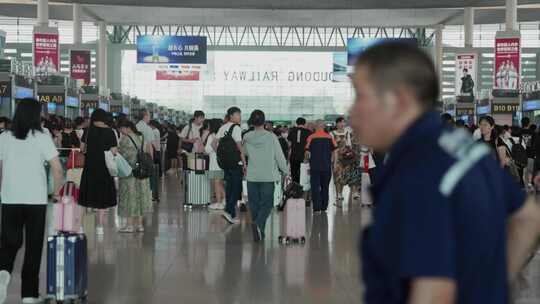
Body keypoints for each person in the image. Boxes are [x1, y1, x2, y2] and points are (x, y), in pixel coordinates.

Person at [349, 42, 540, 304]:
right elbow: (528, 218)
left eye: (360, 95)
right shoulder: (462, 147)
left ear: (400, 99)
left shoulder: (419, 170)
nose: (352, 113)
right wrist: (487, 286)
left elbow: (434, 292)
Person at [0, 98, 64, 304]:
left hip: (10, 198)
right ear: (36, 116)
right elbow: (57, 168)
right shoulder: (42, 137)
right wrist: (57, 192)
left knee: (9, 243)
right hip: (36, 200)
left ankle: (3, 274)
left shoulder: (5, 137)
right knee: (34, 247)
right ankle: (29, 295)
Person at [243, 110, 288, 241]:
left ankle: (260, 231)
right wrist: (285, 170)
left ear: (252, 121)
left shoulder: (247, 137)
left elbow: (244, 152)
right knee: (267, 204)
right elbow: (279, 156)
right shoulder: (271, 137)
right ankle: (258, 224)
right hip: (268, 176)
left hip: (252, 176)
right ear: (264, 122)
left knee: (254, 204)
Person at [79, 108, 118, 236]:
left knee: (86, 196)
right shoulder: (110, 132)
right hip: (104, 168)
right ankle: (100, 225)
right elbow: (113, 151)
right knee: (103, 197)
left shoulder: (88, 131)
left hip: (90, 167)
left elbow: (82, 148)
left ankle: (82, 225)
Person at [117, 120, 152, 233]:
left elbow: (122, 156)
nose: (121, 132)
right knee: (141, 198)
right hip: (142, 172)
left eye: (121, 129)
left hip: (130, 174)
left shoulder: (125, 139)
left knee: (130, 198)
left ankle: (130, 225)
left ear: (127, 128)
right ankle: (140, 225)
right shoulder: (141, 137)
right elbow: (148, 151)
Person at [216, 107, 246, 224]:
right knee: (236, 188)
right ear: (232, 116)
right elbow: (240, 147)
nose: (240, 117)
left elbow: (214, 143)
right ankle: (229, 211)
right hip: (235, 163)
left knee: (229, 187)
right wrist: (244, 162)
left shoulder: (223, 127)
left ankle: (231, 214)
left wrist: (221, 156)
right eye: (238, 114)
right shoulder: (236, 128)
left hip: (225, 163)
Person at [305, 120, 336, 213]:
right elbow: (334, 151)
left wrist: (306, 162)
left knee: (315, 187)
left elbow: (307, 152)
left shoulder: (311, 137)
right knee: (325, 187)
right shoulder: (329, 137)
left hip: (314, 166)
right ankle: (324, 206)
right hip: (326, 166)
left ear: (315, 126)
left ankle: (317, 207)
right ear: (324, 126)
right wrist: (333, 162)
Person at [206, 119, 226, 210]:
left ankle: (218, 203)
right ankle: (225, 200)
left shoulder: (212, 136)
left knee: (216, 183)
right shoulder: (223, 135)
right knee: (220, 182)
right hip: (223, 163)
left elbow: (207, 150)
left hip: (215, 163)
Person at [331, 117, 351, 204]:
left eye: (344, 122)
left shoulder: (347, 133)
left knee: (343, 176)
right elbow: (331, 146)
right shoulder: (332, 133)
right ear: (337, 123)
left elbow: (349, 145)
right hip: (336, 157)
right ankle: (338, 193)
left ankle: (341, 192)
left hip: (345, 157)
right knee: (336, 175)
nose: (343, 124)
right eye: (341, 122)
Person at [288, 118, 313, 183]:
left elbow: (289, 145)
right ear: (304, 123)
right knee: (304, 174)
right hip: (304, 157)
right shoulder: (309, 132)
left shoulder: (292, 131)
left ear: (296, 123)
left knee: (294, 174)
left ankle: (295, 189)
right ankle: (304, 190)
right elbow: (310, 146)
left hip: (293, 156)